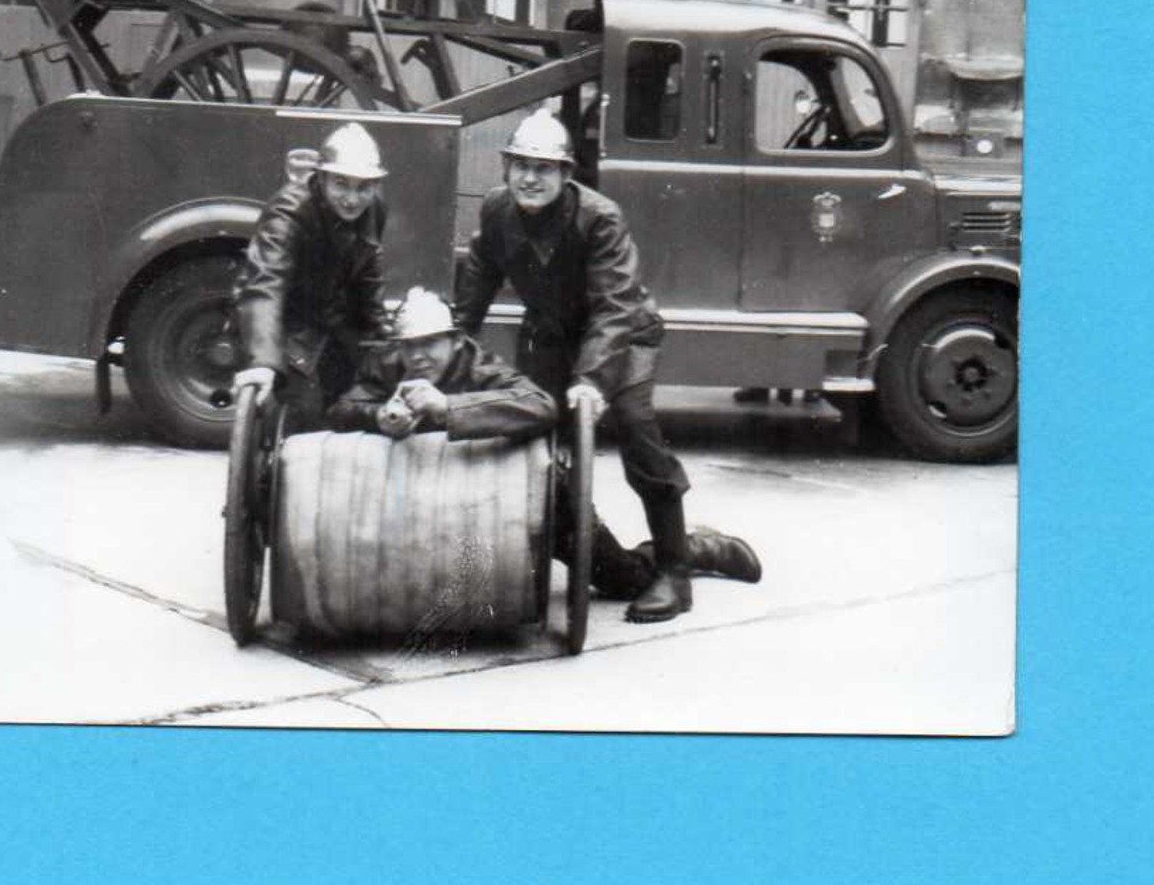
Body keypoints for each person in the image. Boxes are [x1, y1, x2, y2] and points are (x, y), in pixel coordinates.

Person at [455, 109, 762, 622]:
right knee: (533, 434)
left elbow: (615, 306)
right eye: (521, 165)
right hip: (554, 338)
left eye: (545, 167)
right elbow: (475, 289)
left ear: (566, 174)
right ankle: (689, 548)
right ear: (506, 167)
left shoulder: (600, 218)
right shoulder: (496, 211)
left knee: (637, 427)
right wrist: (448, 350)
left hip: (623, 337)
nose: (531, 177)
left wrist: (592, 382)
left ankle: (676, 573)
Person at [328, 287, 658, 601]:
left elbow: (541, 406)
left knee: (625, 580)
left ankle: (688, 549)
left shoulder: (480, 366)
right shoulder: (386, 365)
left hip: (500, 493)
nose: (417, 356)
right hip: (429, 502)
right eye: (408, 345)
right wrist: (379, 416)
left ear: (456, 341)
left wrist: (449, 408)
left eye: (429, 343)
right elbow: (341, 410)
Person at [230, 121, 389, 433]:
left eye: (364, 187)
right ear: (321, 177)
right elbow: (265, 284)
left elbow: (368, 270)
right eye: (341, 184)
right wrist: (263, 361)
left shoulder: (374, 208)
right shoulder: (289, 212)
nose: (353, 199)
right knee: (304, 414)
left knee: (363, 397)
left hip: (329, 320)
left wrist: (383, 342)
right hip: (281, 323)